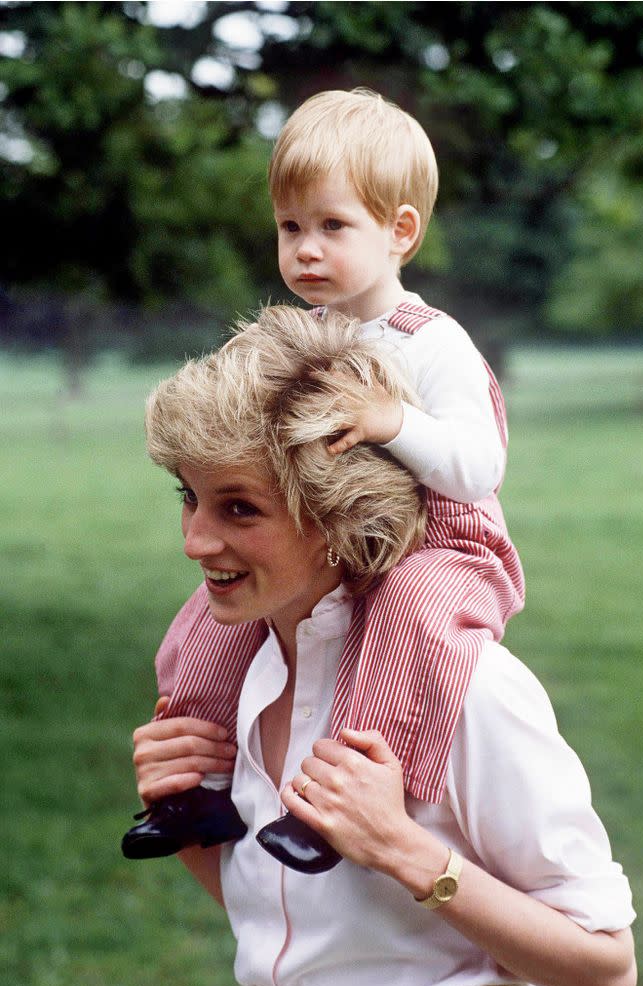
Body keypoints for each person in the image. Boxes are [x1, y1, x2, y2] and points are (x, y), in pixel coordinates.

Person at [130, 305, 636, 986]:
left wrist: (402, 849)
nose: (195, 540)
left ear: (337, 515)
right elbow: (298, 938)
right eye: (190, 497)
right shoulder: (241, 666)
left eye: (239, 508)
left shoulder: (467, 689)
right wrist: (185, 814)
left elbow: (606, 969)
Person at [122, 87, 525, 868]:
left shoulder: (428, 340)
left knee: (409, 614)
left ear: (399, 230)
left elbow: (478, 469)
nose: (305, 249)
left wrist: (391, 423)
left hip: (442, 545)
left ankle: (337, 801)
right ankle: (194, 786)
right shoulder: (301, 331)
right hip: (328, 534)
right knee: (204, 622)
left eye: (332, 226)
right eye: (290, 227)